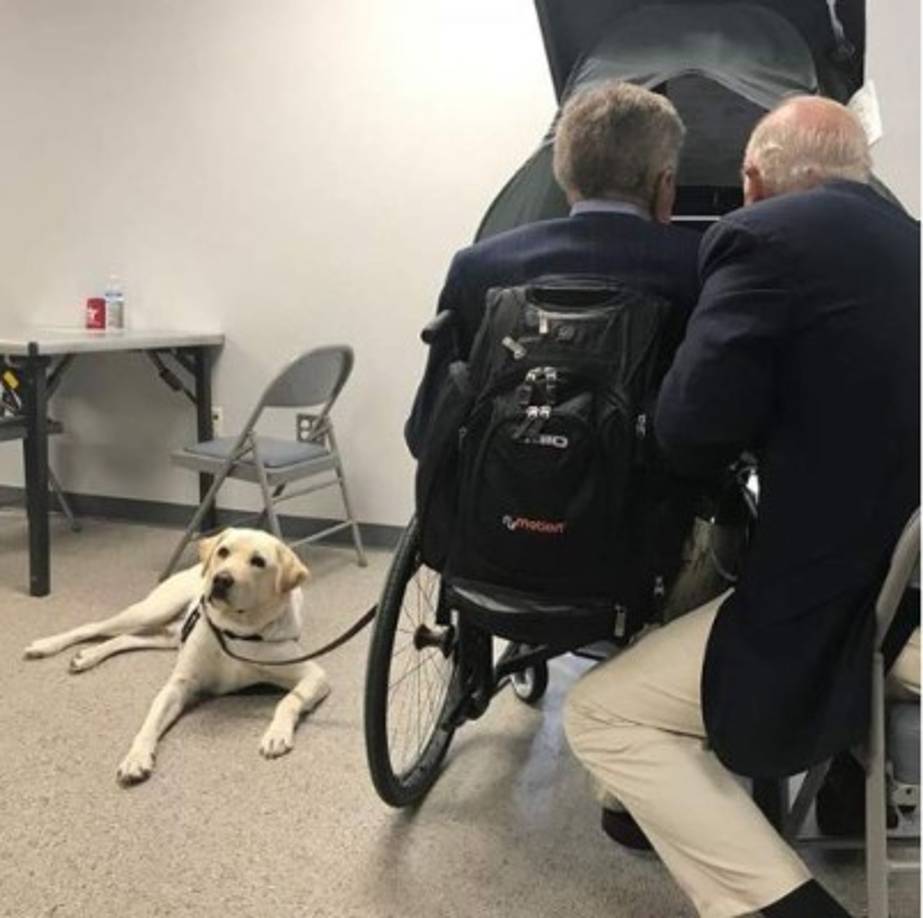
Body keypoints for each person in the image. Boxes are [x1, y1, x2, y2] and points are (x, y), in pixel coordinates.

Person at [564, 95, 920, 918]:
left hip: (854, 606)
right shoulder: (911, 242)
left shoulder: (759, 237)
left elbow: (688, 430)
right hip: (913, 577)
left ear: (751, 181)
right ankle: (841, 783)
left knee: (601, 715)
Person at [405, 80, 698, 457]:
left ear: (565, 174)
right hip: (650, 492)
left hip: (502, 491)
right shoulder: (700, 266)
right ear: (665, 182)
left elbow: (426, 431)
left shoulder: (477, 267)